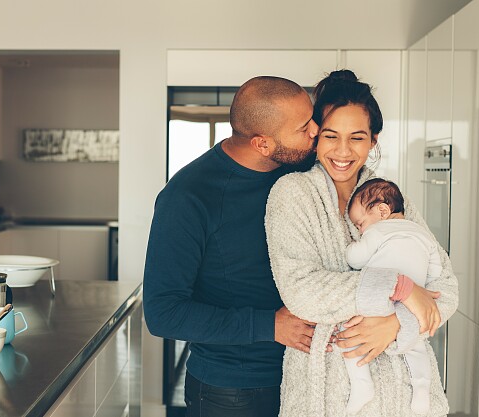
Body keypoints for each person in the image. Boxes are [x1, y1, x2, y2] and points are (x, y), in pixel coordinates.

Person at [265, 70, 458, 417]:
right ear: (315, 138)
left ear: (373, 140)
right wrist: (403, 289)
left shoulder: (390, 197)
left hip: (405, 397)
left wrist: (398, 323)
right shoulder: (291, 195)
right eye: (330, 136)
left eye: (356, 137)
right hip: (325, 395)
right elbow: (302, 291)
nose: (342, 150)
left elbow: (445, 288)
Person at [143, 76, 322, 417]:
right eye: (304, 127)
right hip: (233, 393)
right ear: (262, 144)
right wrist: (270, 325)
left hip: (307, 378)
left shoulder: (297, 172)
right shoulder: (186, 197)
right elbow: (162, 313)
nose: (316, 130)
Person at [344, 178, 443, 416]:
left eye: (360, 223)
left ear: (382, 210)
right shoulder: (423, 233)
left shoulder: (377, 231)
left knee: (349, 332)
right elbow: (437, 271)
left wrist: (351, 246)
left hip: (381, 295)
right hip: (411, 305)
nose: (360, 229)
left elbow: (355, 259)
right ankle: (421, 389)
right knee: (416, 346)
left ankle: (361, 384)